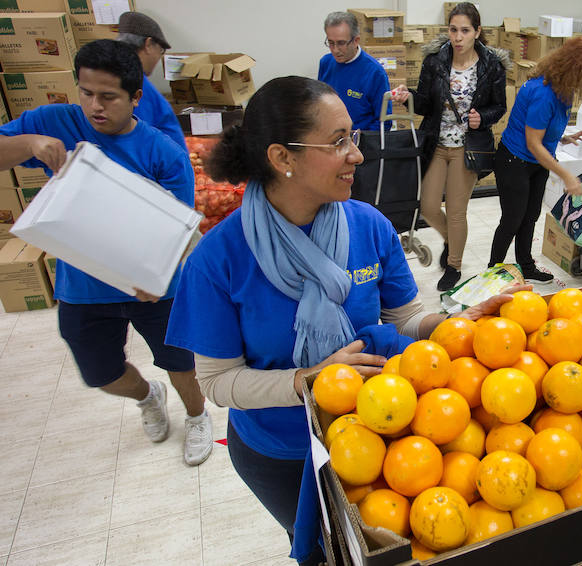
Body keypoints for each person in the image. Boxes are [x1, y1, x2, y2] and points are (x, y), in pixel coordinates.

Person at [163, 76, 523, 561]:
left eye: (353, 137)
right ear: (281, 158)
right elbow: (218, 381)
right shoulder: (218, 259)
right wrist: (307, 380)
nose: (358, 154)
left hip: (380, 431)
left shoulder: (368, 224)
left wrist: (458, 321)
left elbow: (403, 317)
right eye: (338, 143)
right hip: (282, 451)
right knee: (320, 552)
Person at [0, 40, 212, 466]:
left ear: (135, 98)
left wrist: (159, 278)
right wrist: (29, 145)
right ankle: (147, 395)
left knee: (180, 363)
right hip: (83, 287)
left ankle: (196, 415)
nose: (94, 106)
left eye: (108, 96)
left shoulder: (162, 152)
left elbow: (178, 231)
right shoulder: (55, 122)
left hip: (149, 286)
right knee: (101, 375)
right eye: (86, 92)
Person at [389, 2, 508, 291]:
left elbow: (499, 107)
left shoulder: (491, 65)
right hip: (436, 143)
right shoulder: (435, 61)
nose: (457, 37)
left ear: (477, 32)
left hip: (467, 148)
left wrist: (484, 117)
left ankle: (454, 264)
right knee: (428, 207)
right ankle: (451, 239)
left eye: (465, 30)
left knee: (456, 211)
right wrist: (409, 97)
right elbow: (427, 104)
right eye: (453, 30)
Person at [486, 37, 582, 283]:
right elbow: (532, 143)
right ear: (574, 69)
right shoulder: (544, 93)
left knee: (530, 217)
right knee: (512, 220)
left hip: (536, 164)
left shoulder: (564, 90)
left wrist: (565, 138)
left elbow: (544, 131)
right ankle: (493, 272)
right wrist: (566, 175)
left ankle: (526, 266)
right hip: (515, 162)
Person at [117, 11, 186, 150]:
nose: (158, 59)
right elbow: (139, 140)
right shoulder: (136, 84)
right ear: (148, 44)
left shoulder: (119, 75)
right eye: (160, 50)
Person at [317, 11, 391, 131]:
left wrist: (356, 141)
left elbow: (384, 122)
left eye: (341, 43)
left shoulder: (375, 73)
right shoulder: (325, 63)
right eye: (331, 43)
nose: (335, 50)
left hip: (359, 143)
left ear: (356, 40)